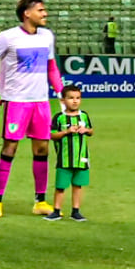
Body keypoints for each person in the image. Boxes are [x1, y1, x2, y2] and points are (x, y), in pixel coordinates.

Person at [0, 0, 62, 216]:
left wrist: (59, 92)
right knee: (10, 148)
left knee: (42, 149)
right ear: (26, 13)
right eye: (41, 10)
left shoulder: (47, 36)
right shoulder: (7, 37)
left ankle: (40, 201)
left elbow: (51, 67)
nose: (45, 14)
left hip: (40, 101)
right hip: (17, 102)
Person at [46, 85, 91, 222]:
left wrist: (86, 130)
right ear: (63, 101)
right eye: (71, 98)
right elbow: (52, 135)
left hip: (81, 158)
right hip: (64, 159)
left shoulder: (84, 115)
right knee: (60, 186)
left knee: (78, 185)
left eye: (78, 98)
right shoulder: (59, 118)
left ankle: (75, 211)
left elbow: (91, 131)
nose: (75, 101)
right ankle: (56, 211)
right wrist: (66, 132)